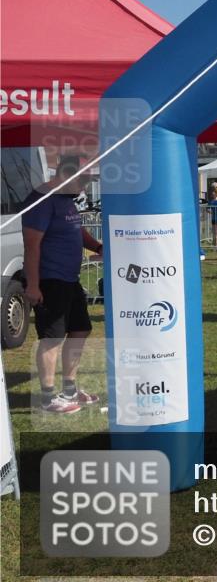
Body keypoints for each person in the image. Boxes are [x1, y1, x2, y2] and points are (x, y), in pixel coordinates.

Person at [22, 156, 103, 414]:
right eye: (84, 180)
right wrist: (33, 285)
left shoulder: (65, 200)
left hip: (70, 279)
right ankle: (47, 398)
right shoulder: (42, 200)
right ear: (67, 175)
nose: (86, 186)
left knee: (80, 330)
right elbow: (32, 245)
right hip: (50, 280)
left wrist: (99, 247)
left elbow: (77, 231)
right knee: (51, 338)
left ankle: (69, 390)